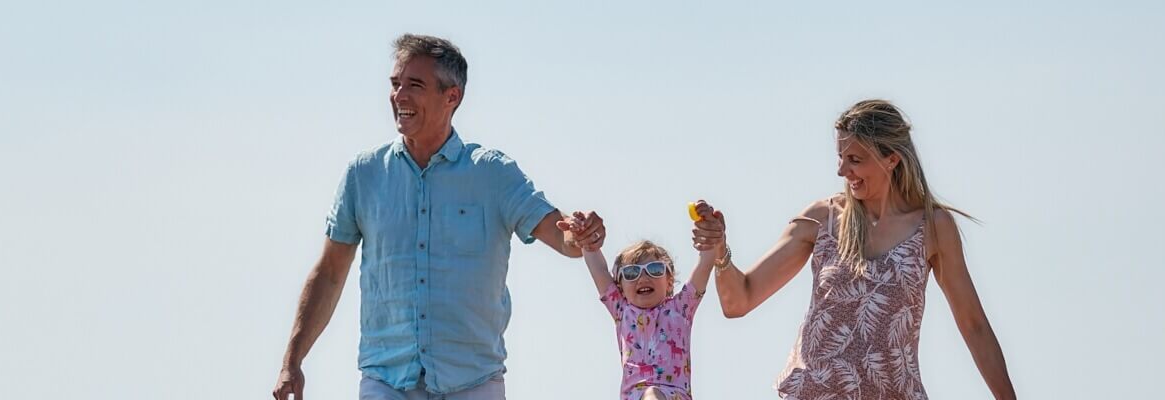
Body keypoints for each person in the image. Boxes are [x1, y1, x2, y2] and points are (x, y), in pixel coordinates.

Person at [270, 34, 606, 400]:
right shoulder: (363, 175)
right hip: (386, 382)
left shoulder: (493, 174)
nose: (400, 96)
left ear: (452, 96)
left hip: (474, 382)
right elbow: (330, 273)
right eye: (396, 84)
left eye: (414, 85)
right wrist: (293, 359)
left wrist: (584, 235)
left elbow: (561, 237)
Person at [693, 100, 1016, 399]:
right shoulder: (820, 220)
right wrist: (721, 250)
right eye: (840, 157)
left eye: (855, 159)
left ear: (892, 159)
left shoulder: (933, 227)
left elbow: (973, 325)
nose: (841, 171)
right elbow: (740, 300)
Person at [558, 211, 724, 400]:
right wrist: (586, 239)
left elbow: (704, 264)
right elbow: (599, 269)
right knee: (649, 394)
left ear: (669, 281)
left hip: (674, 394)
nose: (643, 278)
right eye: (631, 273)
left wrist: (710, 230)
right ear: (620, 287)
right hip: (633, 396)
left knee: (652, 394)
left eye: (654, 270)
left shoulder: (681, 308)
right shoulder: (622, 310)